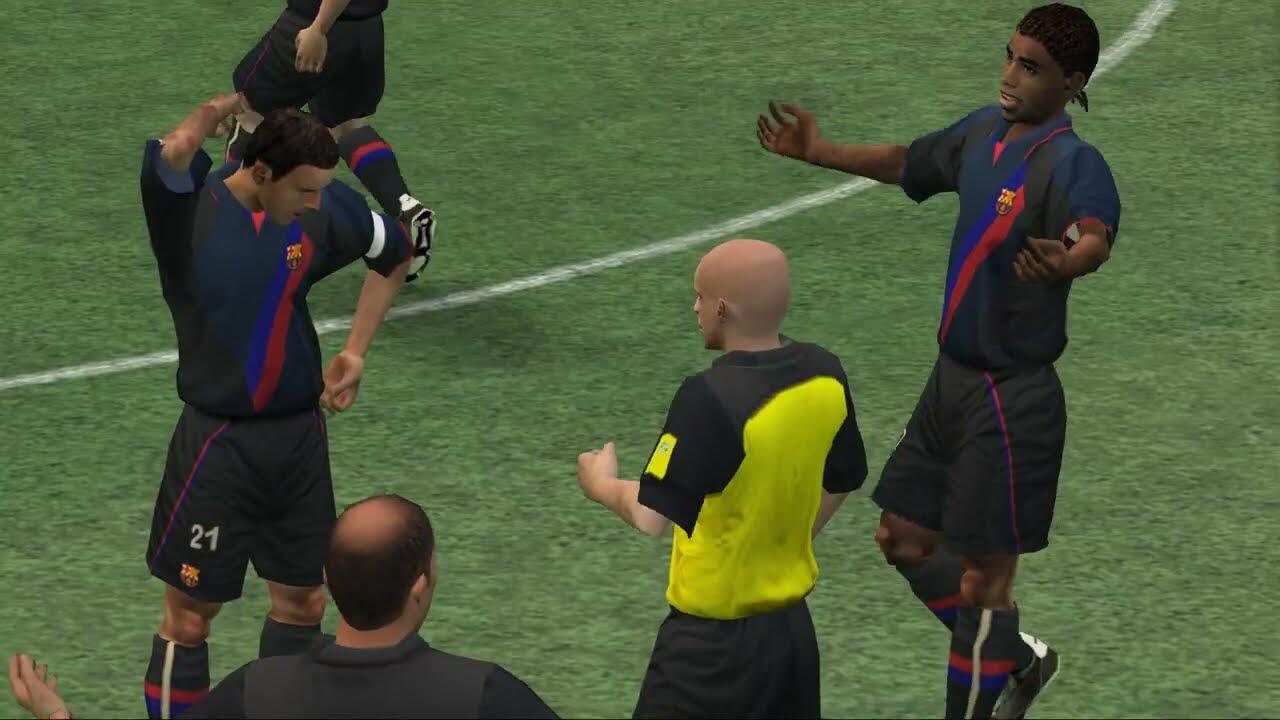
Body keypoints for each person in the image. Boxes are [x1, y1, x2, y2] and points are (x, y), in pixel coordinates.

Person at [756, 4, 1120, 718]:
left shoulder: (1072, 161)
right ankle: (1016, 659)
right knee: (904, 539)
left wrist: (1068, 261)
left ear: (1072, 81)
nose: (1010, 75)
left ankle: (991, 674)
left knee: (986, 584)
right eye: (1009, 56)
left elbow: (1093, 235)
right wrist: (818, 151)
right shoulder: (983, 131)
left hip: (1011, 400)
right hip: (949, 382)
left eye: (1031, 67)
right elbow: (909, 162)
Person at [138, 94, 415, 718]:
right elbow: (175, 152)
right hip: (217, 446)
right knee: (190, 617)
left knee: (304, 605)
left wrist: (356, 350)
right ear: (261, 172)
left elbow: (395, 252)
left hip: (299, 444)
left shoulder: (317, 210)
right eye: (305, 190)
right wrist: (212, 111)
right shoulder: (191, 213)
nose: (316, 203)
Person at [576, 238, 868, 718]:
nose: (696, 308)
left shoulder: (710, 397)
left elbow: (652, 516)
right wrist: (777, 541)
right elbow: (844, 478)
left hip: (709, 651)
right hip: (792, 640)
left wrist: (601, 484)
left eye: (700, 297)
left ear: (723, 308)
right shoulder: (825, 372)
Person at [8, 496, 559, 719]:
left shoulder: (257, 692)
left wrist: (56, 715)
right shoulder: (482, 695)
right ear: (420, 586)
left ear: (329, 581)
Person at [226, 0, 436, 281]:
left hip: (318, 24)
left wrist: (318, 29)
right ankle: (406, 210)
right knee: (345, 125)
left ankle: (240, 237)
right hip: (365, 30)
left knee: (248, 109)